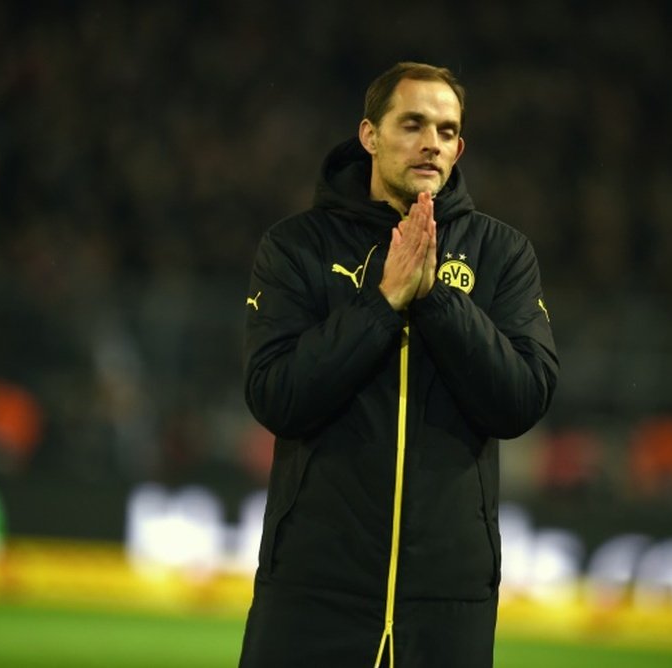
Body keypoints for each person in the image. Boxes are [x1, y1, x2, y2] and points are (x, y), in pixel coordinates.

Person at [238, 62, 558, 668]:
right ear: (370, 136)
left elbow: (522, 400)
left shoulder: (503, 254)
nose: (431, 142)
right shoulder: (296, 247)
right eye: (412, 124)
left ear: (459, 147)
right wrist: (381, 302)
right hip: (311, 595)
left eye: (445, 129)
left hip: (448, 604)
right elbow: (275, 395)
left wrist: (435, 299)